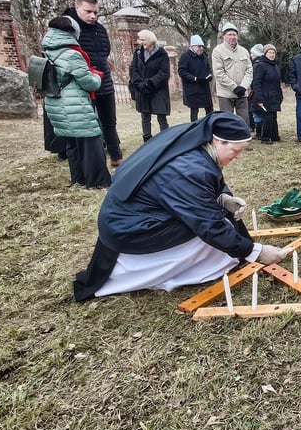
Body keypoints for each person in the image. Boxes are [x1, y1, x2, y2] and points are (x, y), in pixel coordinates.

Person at [73, 112, 289, 300]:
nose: (239, 156)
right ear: (217, 141)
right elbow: (208, 225)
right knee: (217, 222)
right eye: (235, 150)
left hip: (132, 217)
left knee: (220, 214)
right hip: (131, 230)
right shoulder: (188, 170)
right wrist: (255, 252)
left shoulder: (193, 145)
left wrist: (223, 197)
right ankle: (181, 270)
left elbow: (198, 189)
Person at [41, 16, 110, 189]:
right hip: (74, 105)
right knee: (91, 143)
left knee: (72, 145)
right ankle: (97, 181)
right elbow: (89, 82)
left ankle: (78, 179)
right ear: (73, 33)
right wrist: (97, 76)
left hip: (56, 103)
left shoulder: (49, 50)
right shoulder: (71, 54)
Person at [65, 0, 123, 167]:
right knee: (88, 126)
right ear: (77, 8)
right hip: (81, 86)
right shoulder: (68, 29)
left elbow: (104, 53)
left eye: (96, 12)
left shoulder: (100, 29)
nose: (92, 16)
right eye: (88, 11)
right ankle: (93, 163)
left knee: (109, 122)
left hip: (104, 82)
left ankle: (116, 156)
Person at [129, 29, 171, 142]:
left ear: (150, 40)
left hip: (158, 89)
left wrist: (150, 83)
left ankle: (166, 139)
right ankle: (147, 140)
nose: (141, 42)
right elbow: (133, 69)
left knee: (161, 117)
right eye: (140, 40)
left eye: (143, 40)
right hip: (142, 89)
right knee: (145, 117)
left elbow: (164, 72)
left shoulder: (161, 53)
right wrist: (139, 83)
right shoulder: (138, 52)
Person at [212, 22, 253, 125]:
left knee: (244, 120)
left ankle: (243, 139)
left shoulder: (244, 51)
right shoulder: (218, 51)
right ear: (224, 36)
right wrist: (234, 87)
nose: (232, 37)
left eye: (234, 34)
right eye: (229, 34)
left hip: (242, 93)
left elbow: (249, 71)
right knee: (227, 121)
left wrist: (243, 86)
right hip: (226, 93)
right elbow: (219, 73)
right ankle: (228, 140)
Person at [251, 44, 283, 144]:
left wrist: (280, 95)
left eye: (273, 53)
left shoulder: (275, 66)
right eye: (269, 52)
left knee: (273, 116)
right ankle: (265, 137)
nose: (272, 54)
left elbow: (278, 82)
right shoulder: (260, 65)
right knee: (267, 116)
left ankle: (274, 136)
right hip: (265, 95)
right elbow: (256, 83)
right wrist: (259, 98)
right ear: (265, 54)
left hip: (275, 95)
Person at [177, 35, 214, 122]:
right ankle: (194, 128)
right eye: (199, 46)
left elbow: (208, 69)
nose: (201, 48)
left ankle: (210, 125)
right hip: (192, 88)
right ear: (192, 46)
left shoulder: (204, 57)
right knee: (194, 111)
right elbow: (182, 72)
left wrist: (209, 76)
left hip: (204, 87)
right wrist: (194, 78)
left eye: (202, 46)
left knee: (209, 109)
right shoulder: (185, 57)